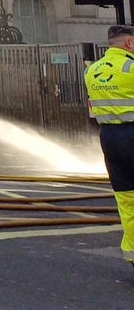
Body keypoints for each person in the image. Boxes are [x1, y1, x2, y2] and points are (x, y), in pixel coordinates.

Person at [84, 24, 134, 273]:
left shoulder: (91, 71)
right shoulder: (132, 67)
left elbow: (93, 110)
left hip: (109, 137)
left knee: (127, 199)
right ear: (129, 43)